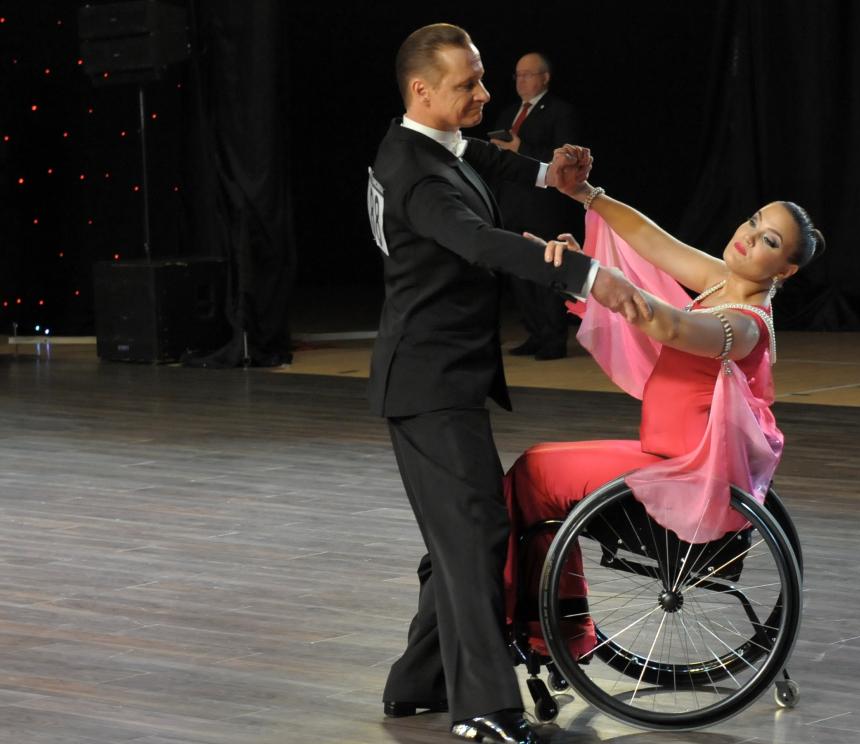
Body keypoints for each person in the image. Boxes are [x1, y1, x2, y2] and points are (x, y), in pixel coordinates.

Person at [367, 23, 647, 744]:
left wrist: (554, 175)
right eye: (468, 84)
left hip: (444, 376)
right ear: (421, 90)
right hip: (426, 384)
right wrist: (586, 274)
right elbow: (478, 240)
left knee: (465, 530)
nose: (484, 94)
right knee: (473, 535)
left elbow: (484, 157)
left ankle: (416, 685)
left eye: (483, 78)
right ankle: (483, 709)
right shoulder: (414, 172)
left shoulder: (435, 146)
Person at [504, 182, 825, 658]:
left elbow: (672, 326)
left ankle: (535, 629)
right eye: (755, 221)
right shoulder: (722, 282)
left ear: (786, 270)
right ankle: (549, 629)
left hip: (682, 473)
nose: (751, 236)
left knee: (532, 473)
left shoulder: (746, 324)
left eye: (770, 242)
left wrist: (590, 277)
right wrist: (588, 195)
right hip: (662, 455)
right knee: (538, 470)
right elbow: (654, 242)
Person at [490, 52, 582, 361]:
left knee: (546, 271)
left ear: (545, 78)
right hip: (511, 203)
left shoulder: (560, 112)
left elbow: (565, 159)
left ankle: (554, 337)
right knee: (519, 271)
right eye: (517, 75)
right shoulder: (507, 113)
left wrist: (520, 148)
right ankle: (535, 332)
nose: (521, 80)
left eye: (528, 74)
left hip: (543, 206)